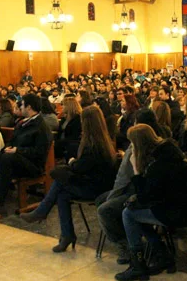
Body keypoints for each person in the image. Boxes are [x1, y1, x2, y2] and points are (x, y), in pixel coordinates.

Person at [114, 124, 187, 281]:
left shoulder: (159, 165)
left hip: (182, 211)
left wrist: (136, 170)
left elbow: (145, 198)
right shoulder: (169, 151)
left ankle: (138, 265)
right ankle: (162, 254)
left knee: (129, 214)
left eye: (132, 144)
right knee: (136, 213)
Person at [21, 106, 117, 252]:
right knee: (62, 193)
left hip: (96, 189)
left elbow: (81, 167)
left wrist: (72, 162)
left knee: (60, 181)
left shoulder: (93, 145)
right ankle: (66, 235)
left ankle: (44, 213)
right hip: (96, 183)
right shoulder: (103, 139)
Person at [96, 108, 169, 264]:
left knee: (106, 209)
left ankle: (128, 246)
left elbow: (125, 178)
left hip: (144, 192)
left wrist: (113, 196)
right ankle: (131, 241)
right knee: (101, 200)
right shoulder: (158, 140)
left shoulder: (140, 147)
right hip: (141, 189)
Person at [0, 94, 53, 211]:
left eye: (22, 104)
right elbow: (13, 141)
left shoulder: (41, 127)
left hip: (32, 165)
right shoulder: (23, 122)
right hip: (17, 158)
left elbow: (39, 152)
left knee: (8, 158)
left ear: (29, 107)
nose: (20, 107)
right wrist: (8, 148)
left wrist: (17, 150)